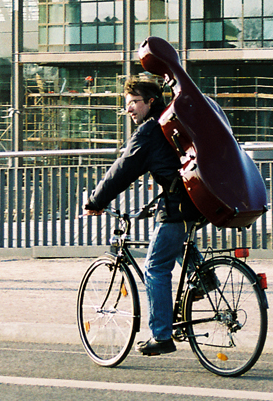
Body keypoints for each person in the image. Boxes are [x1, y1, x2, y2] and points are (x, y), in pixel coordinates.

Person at [84, 75, 203, 356]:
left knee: (155, 267)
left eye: (134, 102)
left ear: (151, 101)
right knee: (176, 244)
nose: (129, 109)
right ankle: (204, 279)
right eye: (127, 104)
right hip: (199, 199)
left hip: (180, 205)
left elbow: (123, 169)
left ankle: (161, 336)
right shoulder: (171, 122)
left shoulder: (150, 131)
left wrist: (95, 200)